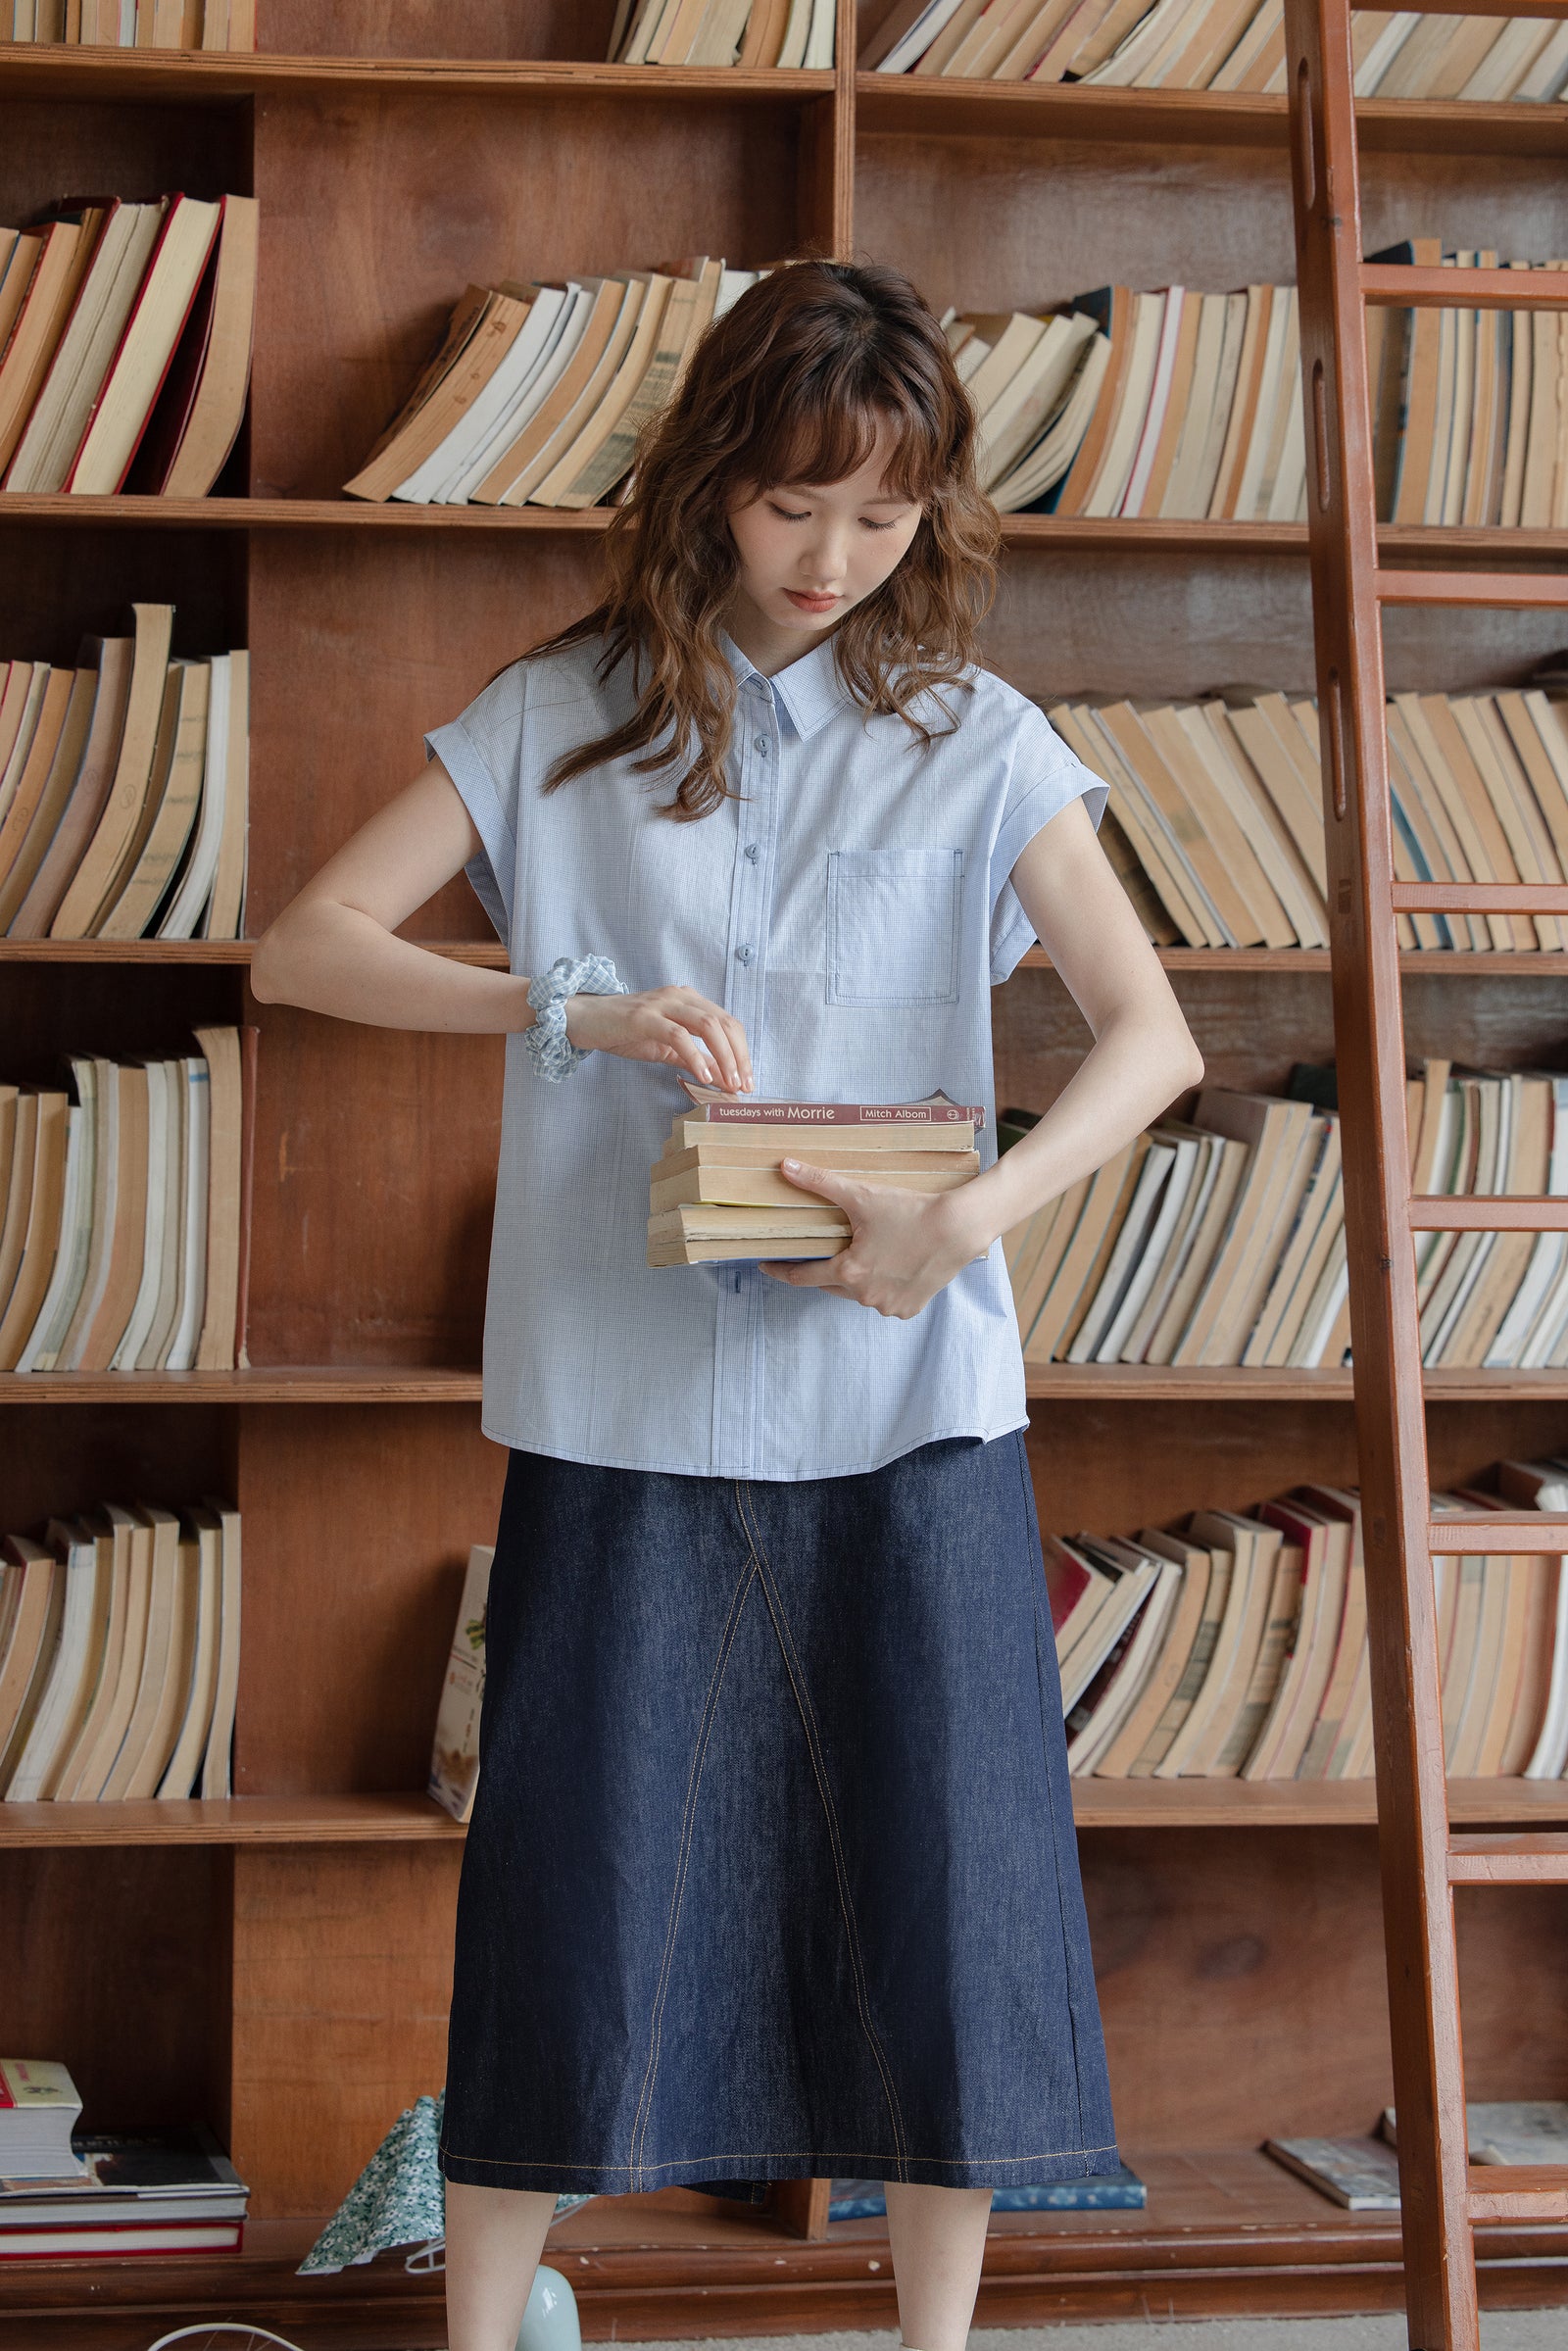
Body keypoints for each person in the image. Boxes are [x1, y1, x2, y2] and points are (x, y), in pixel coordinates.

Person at [252, 257, 1203, 2351]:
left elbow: (1148, 1042)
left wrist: (967, 1225)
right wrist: (560, 1006)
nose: (830, 561)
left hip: (910, 1394)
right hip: (622, 1397)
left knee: (947, 1907)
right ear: (706, 479)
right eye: (792, 509)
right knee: (569, 1900)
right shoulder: (558, 712)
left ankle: (932, 2342)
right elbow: (301, 946)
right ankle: (484, 2329)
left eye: (879, 519)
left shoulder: (974, 737)